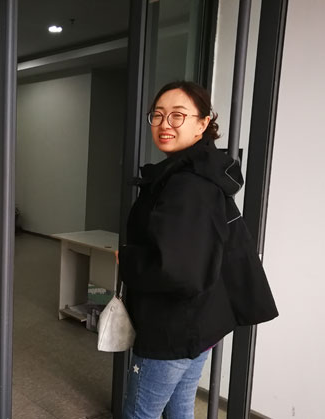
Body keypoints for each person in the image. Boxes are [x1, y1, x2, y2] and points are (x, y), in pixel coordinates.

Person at [117, 81, 278, 419]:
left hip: (172, 328)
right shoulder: (203, 173)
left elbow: (179, 270)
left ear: (203, 123)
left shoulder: (186, 184)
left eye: (177, 115)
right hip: (202, 321)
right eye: (158, 115)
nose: (165, 124)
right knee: (180, 409)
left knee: (139, 414)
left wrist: (128, 259)